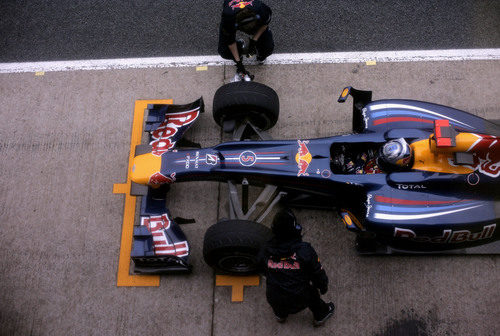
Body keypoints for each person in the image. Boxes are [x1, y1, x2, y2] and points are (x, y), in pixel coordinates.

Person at [259, 209, 335, 327]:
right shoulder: (304, 251)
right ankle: (321, 315)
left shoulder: (264, 249)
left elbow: (261, 268)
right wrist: (323, 286)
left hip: (274, 296)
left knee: (276, 298)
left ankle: (280, 316)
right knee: (313, 297)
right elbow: (317, 273)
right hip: (300, 297)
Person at [218, 0, 274, 77]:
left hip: (254, 18)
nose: (247, 32)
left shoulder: (261, 10)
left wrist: (254, 40)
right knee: (224, 51)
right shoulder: (228, 19)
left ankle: (261, 55)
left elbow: (264, 25)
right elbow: (230, 42)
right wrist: (239, 63)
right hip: (232, 19)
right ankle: (240, 47)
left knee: (268, 47)